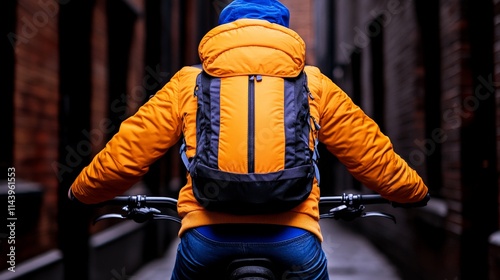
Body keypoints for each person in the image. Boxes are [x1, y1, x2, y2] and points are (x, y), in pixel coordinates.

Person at [68, 0, 430, 279]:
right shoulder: (314, 82)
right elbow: (369, 152)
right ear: (284, 33)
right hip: (293, 239)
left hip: (206, 239)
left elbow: (128, 151)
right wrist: (413, 193)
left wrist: (84, 192)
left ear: (226, 32)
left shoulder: (187, 82)